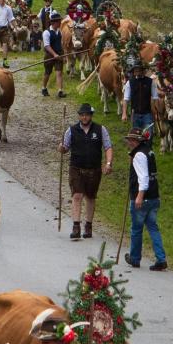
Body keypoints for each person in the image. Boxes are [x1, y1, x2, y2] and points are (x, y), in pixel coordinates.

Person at [59, 103, 112, 242]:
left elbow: (108, 147)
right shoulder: (71, 130)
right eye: (82, 115)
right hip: (76, 168)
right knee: (77, 195)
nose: (84, 117)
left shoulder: (101, 130)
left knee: (90, 197)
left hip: (94, 169)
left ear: (91, 115)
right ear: (79, 116)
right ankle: (76, 227)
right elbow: (65, 148)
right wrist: (62, 148)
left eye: (87, 114)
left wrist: (108, 163)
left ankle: (88, 225)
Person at [125, 127, 166, 270]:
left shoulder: (139, 155)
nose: (128, 142)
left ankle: (135, 258)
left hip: (143, 198)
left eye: (130, 140)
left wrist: (139, 196)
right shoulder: (149, 151)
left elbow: (143, 177)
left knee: (136, 229)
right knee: (153, 228)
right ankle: (161, 259)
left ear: (135, 141)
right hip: (154, 197)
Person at [124, 59, 159, 136]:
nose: (137, 72)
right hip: (135, 113)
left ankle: (148, 148)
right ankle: (138, 148)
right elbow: (126, 99)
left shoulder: (150, 82)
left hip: (147, 114)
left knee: (148, 135)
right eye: (135, 70)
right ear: (133, 72)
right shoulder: (129, 82)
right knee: (136, 136)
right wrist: (124, 113)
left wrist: (157, 112)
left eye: (139, 70)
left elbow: (155, 98)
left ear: (143, 71)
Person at [41, 10, 67, 98]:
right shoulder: (46, 32)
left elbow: (61, 44)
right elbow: (47, 46)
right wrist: (54, 54)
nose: (60, 22)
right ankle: (44, 88)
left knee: (59, 72)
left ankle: (60, 91)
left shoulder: (59, 31)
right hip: (49, 55)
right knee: (47, 73)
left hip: (59, 55)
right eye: (59, 21)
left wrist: (63, 55)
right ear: (54, 22)